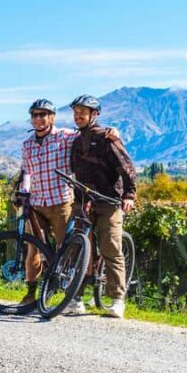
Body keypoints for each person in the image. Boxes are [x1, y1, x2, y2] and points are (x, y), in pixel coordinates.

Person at [17, 99, 118, 307]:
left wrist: (113, 130)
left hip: (61, 202)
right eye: (35, 115)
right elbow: (27, 172)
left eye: (43, 114)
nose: (38, 119)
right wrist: (23, 192)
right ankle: (30, 293)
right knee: (33, 249)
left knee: (69, 250)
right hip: (36, 203)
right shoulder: (27, 144)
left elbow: (90, 133)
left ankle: (72, 294)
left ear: (52, 117)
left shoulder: (65, 137)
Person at [69, 94, 137, 319]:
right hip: (83, 202)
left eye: (83, 112)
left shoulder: (107, 138)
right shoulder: (77, 142)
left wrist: (129, 195)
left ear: (94, 114)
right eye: (76, 112)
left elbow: (126, 167)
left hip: (108, 202)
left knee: (110, 246)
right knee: (77, 248)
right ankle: (76, 298)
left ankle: (118, 300)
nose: (78, 116)